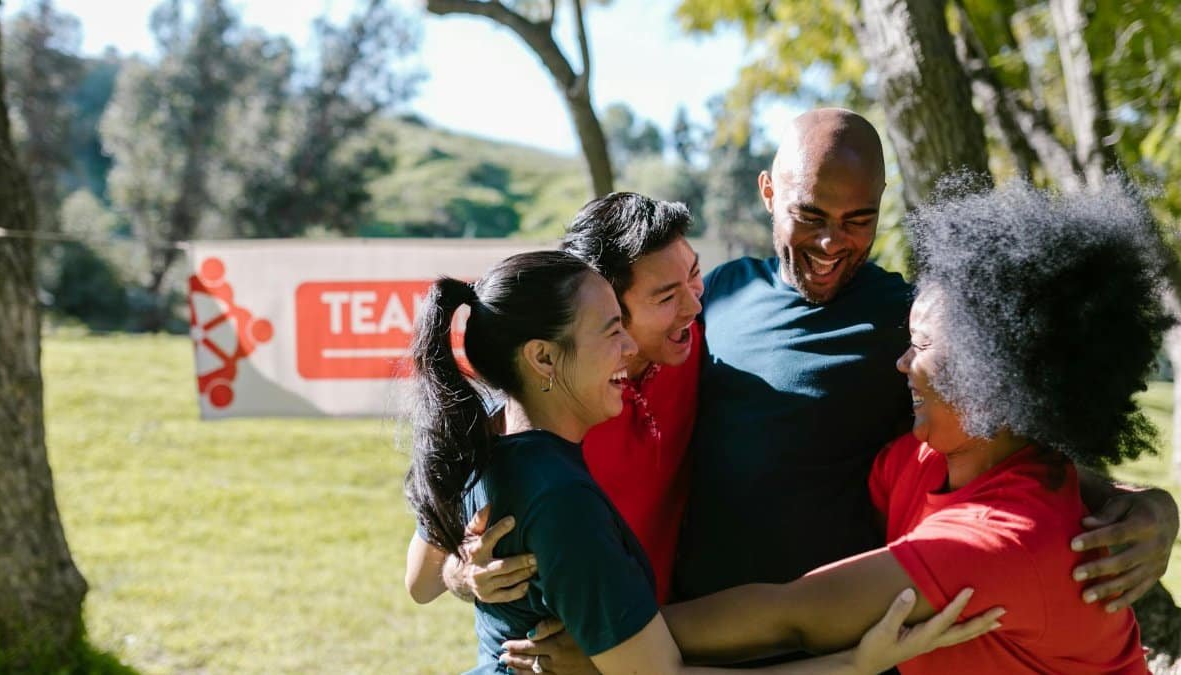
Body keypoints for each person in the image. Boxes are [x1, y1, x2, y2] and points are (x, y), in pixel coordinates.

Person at [499, 108, 1179, 673]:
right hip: (697, 631)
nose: (831, 242)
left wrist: (1148, 505)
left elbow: (1017, 452)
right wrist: (468, 547)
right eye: (811, 213)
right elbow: (587, 400)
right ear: (769, 192)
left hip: (844, 643)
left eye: (858, 219)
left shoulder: (925, 322)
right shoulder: (711, 302)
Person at [404, 250, 1000, 674]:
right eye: (611, 330)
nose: (629, 347)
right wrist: (852, 664)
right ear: (542, 358)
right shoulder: (560, 497)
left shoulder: (488, 448)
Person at [660, 178, 1165, 673]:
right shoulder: (922, 461)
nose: (901, 362)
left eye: (921, 346)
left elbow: (794, 618)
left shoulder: (1003, 541)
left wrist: (623, 638)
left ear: (990, 370)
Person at [406, 193, 705, 606]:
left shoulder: (697, 340)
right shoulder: (530, 415)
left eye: (695, 275)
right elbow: (421, 582)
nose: (694, 304)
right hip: (586, 635)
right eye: (666, 297)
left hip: (670, 625)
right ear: (604, 304)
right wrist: (464, 574)